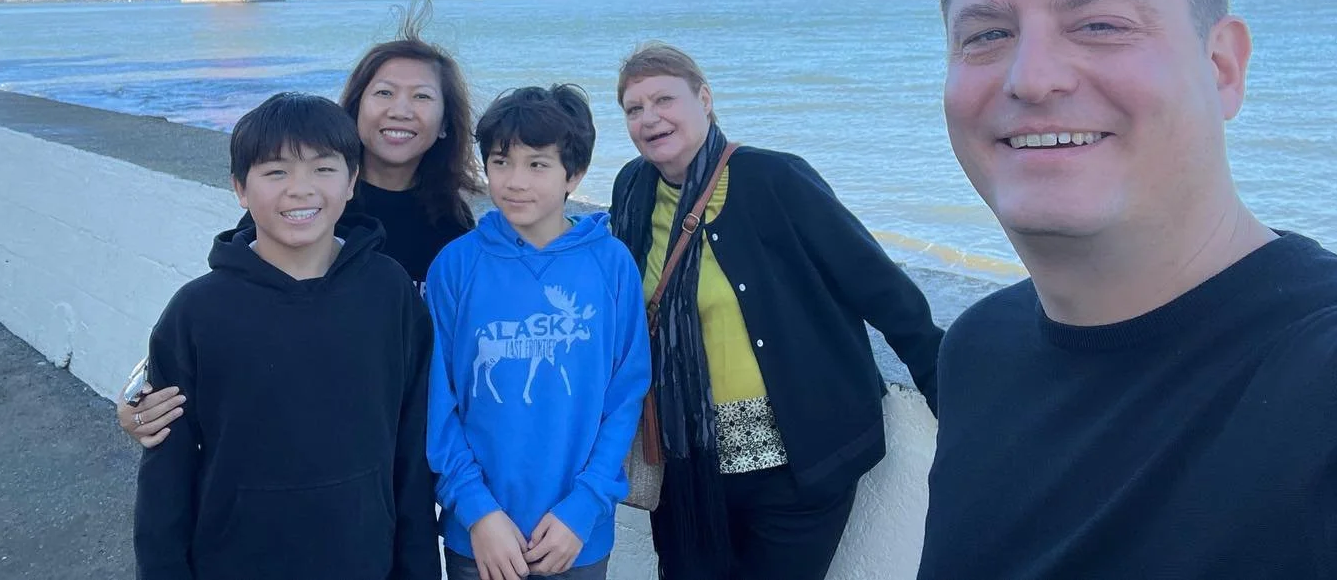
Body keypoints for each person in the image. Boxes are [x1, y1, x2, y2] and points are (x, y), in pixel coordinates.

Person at [915, 0, 1337, 579]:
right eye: (986, 35)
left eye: (1100, 24)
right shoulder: (978, 348)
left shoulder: (1318, 378)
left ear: (1222, 68)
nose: (1031, 78)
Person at [609, 44, 943, 580]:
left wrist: (945, 387)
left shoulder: (774, 179)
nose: (649, 118)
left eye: (664, 99)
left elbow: (876, 284)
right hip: (689, 465)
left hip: (796, 464)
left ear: (704, 99)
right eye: (634, 108)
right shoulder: (632, 189)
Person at [120, 17, 482, 446]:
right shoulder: (306, 207)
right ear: (355, 109)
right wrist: (142, 392)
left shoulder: (452, 223)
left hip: (399, 433)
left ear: (445, 123)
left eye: (421, 96)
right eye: (384, 93)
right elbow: (233, 300)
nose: (400, 110)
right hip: (297, 431)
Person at [133, 92, 438, 580]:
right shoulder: (196, 312)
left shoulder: (389, 293)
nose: (301, 189)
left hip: (365, 559)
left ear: (352, 181)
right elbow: (166, 477)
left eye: (323, 169)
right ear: (240, 188)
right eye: (276, 172)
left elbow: (412, 449)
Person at [426, 85, 649, 580]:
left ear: (575, 173)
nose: (515, 181)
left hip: (577, 535)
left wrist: (585, 505)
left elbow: (625, 395)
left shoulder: (611, 264)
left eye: (537, 164)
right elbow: (437, 401)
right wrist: (477, 510)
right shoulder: (456, 266)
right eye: (501, 162)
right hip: (480, 536)